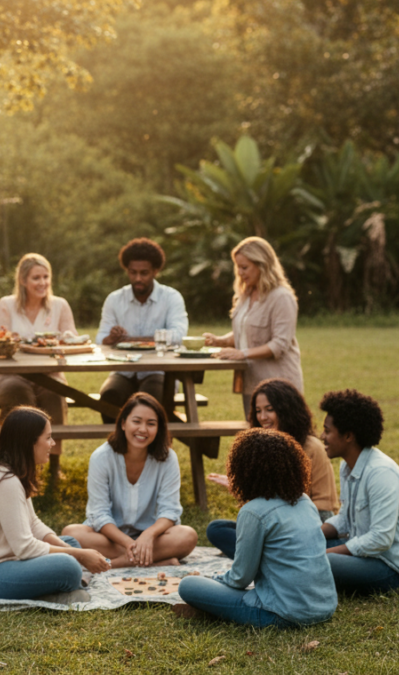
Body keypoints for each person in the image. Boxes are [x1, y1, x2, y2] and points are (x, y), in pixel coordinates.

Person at [173, 428, 337, 627]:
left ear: (243, 470)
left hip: (280, 614)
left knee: (189, 585)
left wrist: (215, 579)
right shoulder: (304, 500)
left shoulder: (254, 511)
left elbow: (240, 578)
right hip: (325, 606)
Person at [0, 407, 111, 602]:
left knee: (70, 543)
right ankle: (56, 592)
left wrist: (75, 552)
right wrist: (77, 556)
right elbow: (25, 548)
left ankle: (63, 584)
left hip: (4, 561)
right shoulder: (4, 480)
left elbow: (33, 523)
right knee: (67, 567)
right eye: (48, 438)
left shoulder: (12, 472)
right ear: (29, 442)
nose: (52, 443)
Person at [62, 393, 197, 568]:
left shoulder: (168, 458)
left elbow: (170, 511)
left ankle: (116, 563)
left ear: (159, 428)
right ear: (123, 423)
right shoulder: (102, 457)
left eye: (151, 424)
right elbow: (99, 513)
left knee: (187, 536)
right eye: (137, 421)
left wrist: (148, 535)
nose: (143, 429)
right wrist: (128, 543)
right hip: (110, 538)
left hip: (153, 537)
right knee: (71, 535)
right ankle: (154, 560)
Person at [207, 379, 338, 557]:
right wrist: (241, 487)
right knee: (217, 529)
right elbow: (259, 507)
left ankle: (260, 557)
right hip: (271, 527)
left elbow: (325, 509)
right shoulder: (259, 449)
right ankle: (271, 557)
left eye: (270, 409)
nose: (263, 417)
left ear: (286, 410)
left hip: (307, 527)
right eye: (258, 411)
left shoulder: (311, 447)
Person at [320, 389, 399, 595]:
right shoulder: (347, 466)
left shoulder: (381, 473)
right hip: (364, 554)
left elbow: (380, 539)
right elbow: (345, 519)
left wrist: (323, 552)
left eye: (327, 430)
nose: (322, 436)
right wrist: (311, 536)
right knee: (307, 547)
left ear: (349, 435)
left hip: (394, 569)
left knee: (322, 561)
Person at [0, 253, 77, 481]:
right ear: (23, 280)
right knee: (18, 396)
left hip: (50, 372)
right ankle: (21, 464)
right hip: (13, 373)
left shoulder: (59, 305)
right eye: (36, 278)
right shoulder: (6, 305)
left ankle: (53, 465)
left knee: (54, 394)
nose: (42, 283)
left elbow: (72, 339)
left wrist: (61, 340)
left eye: (46, 277)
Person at [204, 236, 303, 420]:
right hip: (252, 383)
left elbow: (279, 345)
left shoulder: (281, 297)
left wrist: (243, 353)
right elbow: (245, 332)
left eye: (244, 267)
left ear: (262, 265)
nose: (240, 273)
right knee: (256, 438)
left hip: (279, 385)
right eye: (238, 267)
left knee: (281, 440)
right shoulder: (246, 294)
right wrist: (220, 340)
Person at [95, 238, 188, 411]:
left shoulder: (171, 297)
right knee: (109, 398)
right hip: (123, 370)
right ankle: (117, 439)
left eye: (144, 273)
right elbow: (100, 338)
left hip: (159, 371)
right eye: (133, 272)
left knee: (149, 402)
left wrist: (131, 339)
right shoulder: (115, 299)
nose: (138, 278)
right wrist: (111, 337)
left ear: (155, 271)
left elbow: (178, 336)